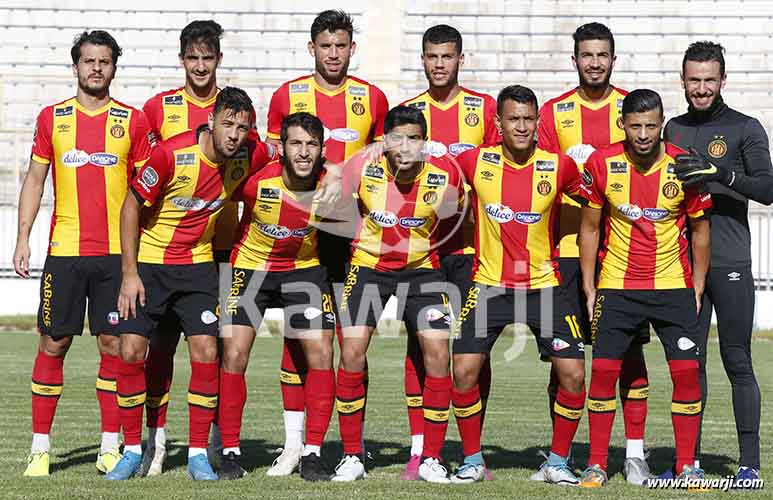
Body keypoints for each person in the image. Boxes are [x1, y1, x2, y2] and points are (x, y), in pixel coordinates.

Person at [106, 87, 276, 481]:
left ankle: (199, 452)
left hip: (199, 267)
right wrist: (129, 274)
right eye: (228, 124)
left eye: (242, 127)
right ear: (212, 120)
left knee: (206, 350)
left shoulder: (249, 154)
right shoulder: (171, 154)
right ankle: (132, 449)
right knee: (131, 351)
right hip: (150, 265)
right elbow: (131, 205)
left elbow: (282, 152)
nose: (234, 134)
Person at [14, 30, 152, 477]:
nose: (96, 68)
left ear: (114, 67)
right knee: (53, 342)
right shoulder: (52, 118)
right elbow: (35, 181)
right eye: (89, 61)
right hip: (65, 253)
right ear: (75, 67)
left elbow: (147, 189)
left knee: (112, 344)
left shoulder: (133, 121)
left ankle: (109, 445)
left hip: (116, 256)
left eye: (104, 61)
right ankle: (40, 448)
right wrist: (22, 239)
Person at [264, 8, 389, 475]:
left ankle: (350, 446)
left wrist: (344, 174)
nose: (333, 54)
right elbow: (273, 159)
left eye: (341, 46)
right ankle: (296, 444)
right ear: (311, 47)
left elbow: (384, 162)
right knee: (298, 339)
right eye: (325, 46)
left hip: (355, 239)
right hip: (301, 237)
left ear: (352, 49)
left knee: (351, 343)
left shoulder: (372, 98)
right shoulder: (287, 95)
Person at [450, 85, 586, 485]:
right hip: (488, 284)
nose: (521, 126)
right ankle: (472, 460)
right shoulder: (475, 161)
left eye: (528, 118)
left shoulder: (559, 166)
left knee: (574, 374)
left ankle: (558, 462)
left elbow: (592, 204)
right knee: (464, 371)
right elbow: (440, 190)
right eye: (513, 119)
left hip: (545, 286)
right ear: (498, 123)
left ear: (538, 122)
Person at [536, 22, 652, 484]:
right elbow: (536, 182)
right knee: (564, 360)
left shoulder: (631, 110)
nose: (595, 62)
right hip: (565, 252)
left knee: (628, 358)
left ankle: (636, 453)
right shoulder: (554, 112)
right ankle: (558, 454)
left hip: (620, 255)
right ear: (575, 59)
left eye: (603, 54)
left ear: (613, 58)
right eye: (587, 54)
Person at [577, 89, 711, 487]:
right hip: (616, 288)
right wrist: (589, 286)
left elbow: (701, 230)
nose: (643, 134)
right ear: (623, 124)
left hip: (673, 288)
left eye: (651, 125)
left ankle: (687, 465)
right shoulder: (601, 163)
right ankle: (597, 464)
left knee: (686, 375)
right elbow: (589, 228)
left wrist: (698, 284)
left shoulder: (684, 165)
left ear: (661, 124)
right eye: (635, 125)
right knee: (602, 373)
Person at [331, 106, 460, 483]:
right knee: (352, 351)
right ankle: (352, 454)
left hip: (423, 271)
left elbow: (456, 216)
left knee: (438, 353)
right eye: (398, 139)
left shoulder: (445, 174)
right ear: (385, 141)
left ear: (425, 142)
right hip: (369, 268)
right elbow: (332, 192)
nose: (406, 147)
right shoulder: (362, 167)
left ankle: (432, 458)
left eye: (415, 139)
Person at [665, 41, 773, 483]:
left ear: (723, 81)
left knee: (737, 360)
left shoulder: (745, 127)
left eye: (710, 80)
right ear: (684, 80)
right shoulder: (671, 127)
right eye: (695, 80)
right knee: (689, 365)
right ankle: (688, 460)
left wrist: (720, 174)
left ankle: (749, 463)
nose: (702, 88)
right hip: (683, 267)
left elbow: (767, 189)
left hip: (730, 261)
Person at [398, 24, 498, 479]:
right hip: (424, 254)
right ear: (422, 59)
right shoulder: (408, 113)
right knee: (421, 348)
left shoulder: (485, 108)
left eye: (447, 56)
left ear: (461, 59)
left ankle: (471, 450)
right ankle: (422, 447)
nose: (439, 64)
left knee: (476, 351)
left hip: (476, 249)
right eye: (432, 56)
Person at [219, 112, 337, 481]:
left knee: (321, 353)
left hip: (304, 270)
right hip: (249, 267)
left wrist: (335, 172)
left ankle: (312, 453)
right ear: (282, 148)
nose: (303, 152)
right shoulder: (256, 179)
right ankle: (229, 451)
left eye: (311, 145)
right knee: (234, 354)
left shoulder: (330, 186)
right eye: (296, 143)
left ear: (321, 151)